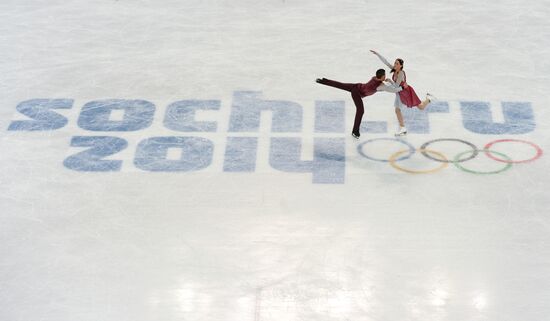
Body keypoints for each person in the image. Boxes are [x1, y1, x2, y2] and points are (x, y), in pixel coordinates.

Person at [316, 69, 403, 139]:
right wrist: (402, 87)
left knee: (340, 85)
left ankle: (323, 81)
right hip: (357, 93)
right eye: (385, 75)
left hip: (357, 86)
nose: (385, 76)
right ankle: (355, 131)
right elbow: (392, 90)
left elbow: (380, 86)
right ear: (382, 76)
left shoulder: (374, 78)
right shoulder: (380, 85)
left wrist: (387, 82)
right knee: (360, 111)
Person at [370, 50, 435, 136]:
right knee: (398, 110)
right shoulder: (394, 70)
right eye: (395, 63)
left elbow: (396, 86)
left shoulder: (401, 73)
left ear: (401, 66)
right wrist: (377, 54)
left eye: (397, 64)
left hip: (406, 92)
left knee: (420, 107)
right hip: (400, 92)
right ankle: (403, 128)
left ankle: (429, 99)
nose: (395, 64)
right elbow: (385, 62)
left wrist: (389, 81)